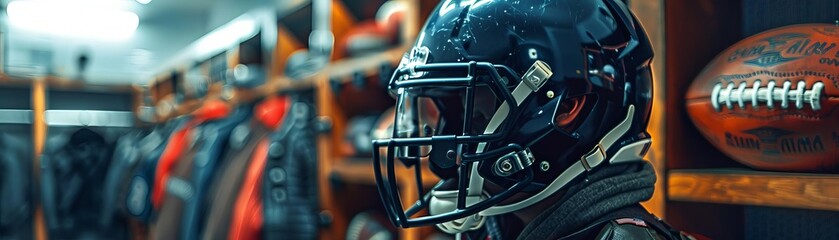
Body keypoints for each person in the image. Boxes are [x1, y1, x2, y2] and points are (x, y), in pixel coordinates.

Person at [371, 0, 696, 239]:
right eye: (452, 112)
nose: (450, 152)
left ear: (568, 106)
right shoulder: (500, 225)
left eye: (476, 115)